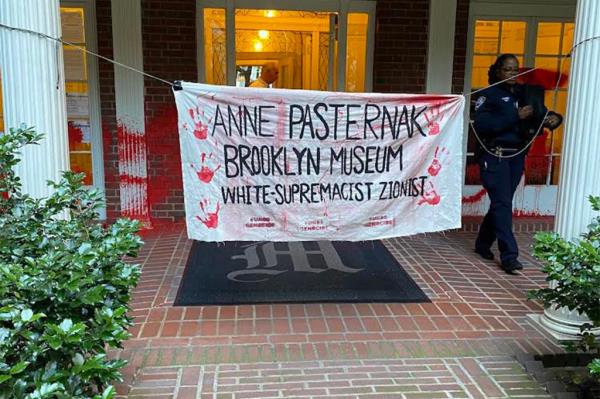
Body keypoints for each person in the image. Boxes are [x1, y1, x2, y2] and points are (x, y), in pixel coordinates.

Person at [473, 54, 562, 274]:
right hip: (496, 155)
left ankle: (482, 244)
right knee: (503, 204)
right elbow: (482, 124)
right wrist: (515, 116)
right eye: (507, 69)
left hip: (517, 156)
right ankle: (509, 256)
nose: (512, 74)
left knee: (501, 203)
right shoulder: (488, 95)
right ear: (497, 71)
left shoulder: (524, 92)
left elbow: (541, 113)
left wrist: (555, 119)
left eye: (515, 70)